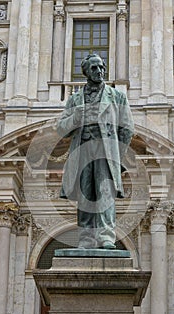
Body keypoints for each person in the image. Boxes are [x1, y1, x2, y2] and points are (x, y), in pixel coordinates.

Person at [57, 54, 134, 249]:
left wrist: (117, 155)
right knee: (85, 196)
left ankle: (106, 236)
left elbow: (127, 128)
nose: (99, 71)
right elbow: (61, 129)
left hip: (105, 151)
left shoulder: (117, 97)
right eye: (94, 68)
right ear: (85, 72)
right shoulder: (75, 99)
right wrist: (76, 117)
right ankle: (86, 239)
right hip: (82, 150)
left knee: (105, 192)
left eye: (101, 67)